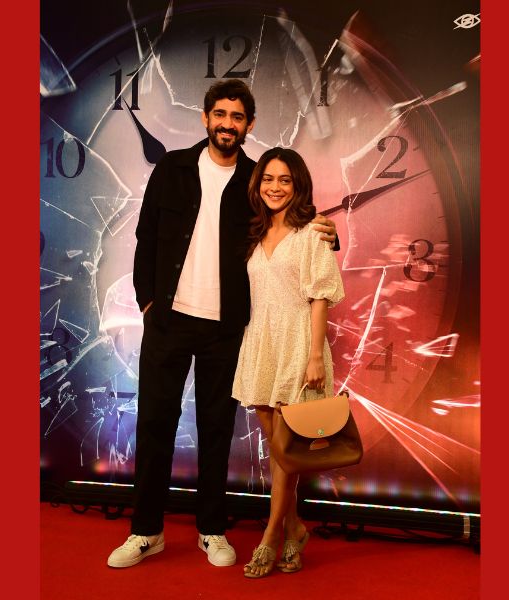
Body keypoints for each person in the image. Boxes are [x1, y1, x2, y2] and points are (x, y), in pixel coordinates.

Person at [106, 79, 337, 569]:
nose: (227, 124)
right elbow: (146, 237)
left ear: (248, 125)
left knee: (216, 431)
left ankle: (212, 530)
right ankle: (146, 531)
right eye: (220, 114)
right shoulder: (171, 168)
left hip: (227, 329)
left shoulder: (256, 180)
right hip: (169, 320)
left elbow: (288, 224)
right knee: (154, 425)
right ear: (206, 118)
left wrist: (328, 231)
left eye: (237, 117)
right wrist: (148, 302)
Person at [232, 148, 345, 578]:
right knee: (282, 452)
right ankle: (295, 529)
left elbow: (320, 297)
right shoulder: (255, 230)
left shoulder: (313, 231)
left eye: (284, 180)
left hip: (298, 344)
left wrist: (315, 356)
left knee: (285, 450)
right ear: (257, 184)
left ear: (297, 186)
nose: (275, 187)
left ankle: (270, 537)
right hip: (261, 342)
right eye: (268, 179)